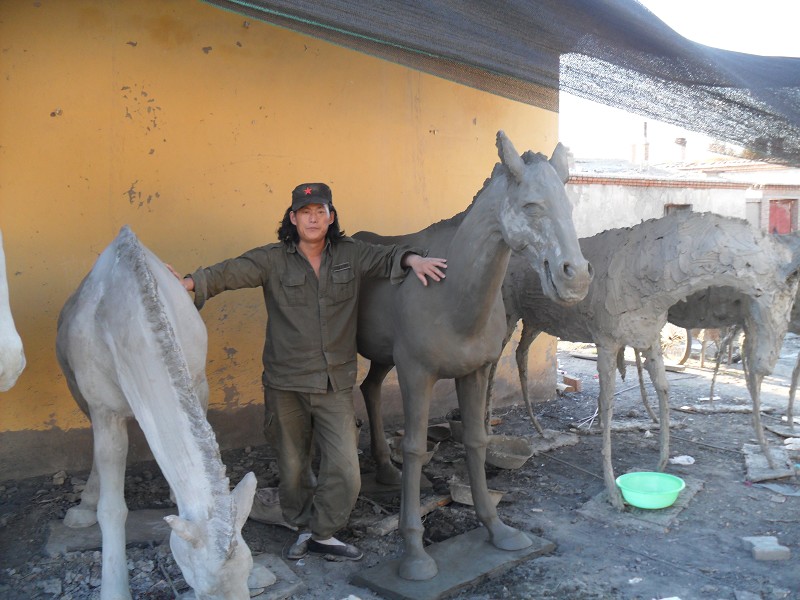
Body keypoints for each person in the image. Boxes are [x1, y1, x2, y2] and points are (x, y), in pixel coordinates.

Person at [174, 182, 446, 561]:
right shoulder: (272, 259)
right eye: (305, 212)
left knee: (347, 470)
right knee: (293, 466)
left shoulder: (353, 254)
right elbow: (227, 273)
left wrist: (413, 260)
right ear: (293, 218)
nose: (313, 218)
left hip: (334, 384)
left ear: (331, 217)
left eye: (320, 211)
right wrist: (185, 283)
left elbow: (388, 257)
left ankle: (324, 530)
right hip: (285, 383)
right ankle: (304, 527)